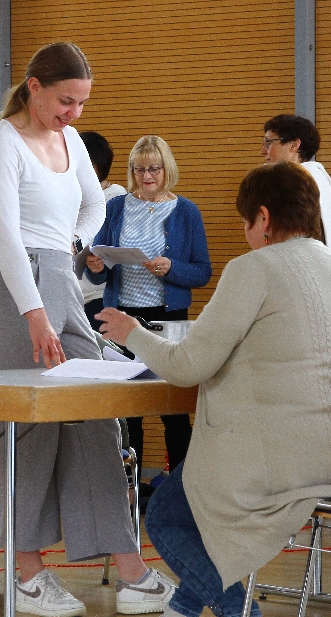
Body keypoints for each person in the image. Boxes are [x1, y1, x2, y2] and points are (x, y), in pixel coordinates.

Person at [97, 161, 331, 617]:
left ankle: (239, 612)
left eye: (245, 221)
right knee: (191, 506)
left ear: (263, 216)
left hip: (284, 461)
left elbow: (187, 366)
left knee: (168, 515)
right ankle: (184, 609)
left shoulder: (253, 268)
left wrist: (132, 333)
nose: (245, 232)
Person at [0, 41, 175, 617]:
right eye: (65, 101)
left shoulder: (72, 139)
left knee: (98, 417)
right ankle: (27, 574)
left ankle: (131, 573)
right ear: (33, 86)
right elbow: (4, 236)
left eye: (81, 103)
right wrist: (34, 312)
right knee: (30, 432)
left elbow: (95, 204)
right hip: (11, 289)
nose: (74, 113)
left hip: (59, 275)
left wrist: (71, 244)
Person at [85, 135, 211, 474]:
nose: (146, 176)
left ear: (167, 169)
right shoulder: (116, 207)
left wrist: (172, 268)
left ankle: (181, 486)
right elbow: (100, 267)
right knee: (129, 410)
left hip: (168, 320)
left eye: (154, 169)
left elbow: (202, 272)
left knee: (174, 409)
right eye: (139, 170)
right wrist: (96, 266)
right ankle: (129, 487)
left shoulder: (186, 211)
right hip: (122, 317)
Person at [260, 114, 331, 253]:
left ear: (294, 145)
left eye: (268, 142)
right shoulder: (315, 176)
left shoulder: (297, 182)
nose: (263, 151)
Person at [77, 130, 126, 331]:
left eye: (89, 163)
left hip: (101, 294)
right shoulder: (67, 196)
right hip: (70, 293)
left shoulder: (116, 197)